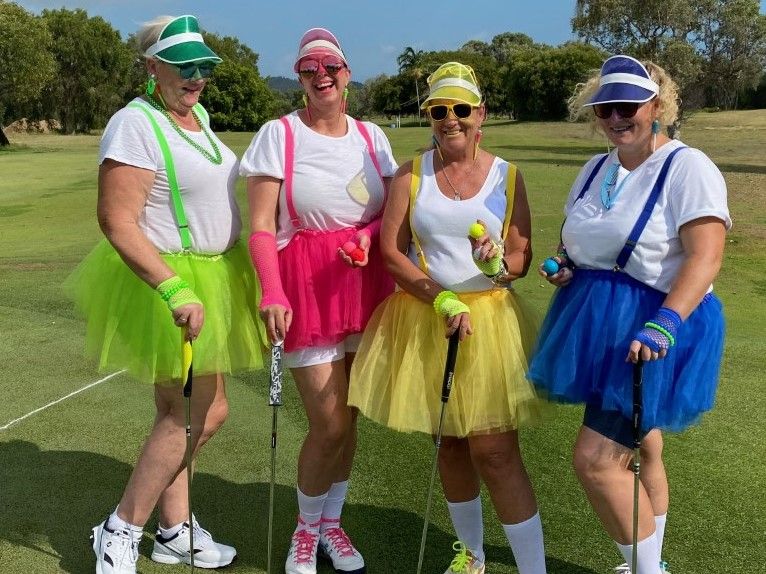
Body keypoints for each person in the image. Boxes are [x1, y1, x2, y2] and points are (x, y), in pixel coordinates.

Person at [65, 15, 265, 574]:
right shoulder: (134, 123)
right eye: (184, 66)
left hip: (213, 277)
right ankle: (121, 527)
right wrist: (172, 287)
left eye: (203, 66)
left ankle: (174, 531)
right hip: (172, 283)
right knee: (202, 412)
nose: (197, 77)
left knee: (180, 411)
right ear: (153, 67)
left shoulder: (195, 115)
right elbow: (116, 219)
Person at [528, 55, 730, 574]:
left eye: (626, 107)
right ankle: (650, 560)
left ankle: (647, 569)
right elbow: (582, 239)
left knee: (596, 462)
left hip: (655, 325)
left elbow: (706, 255)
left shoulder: (687, 166)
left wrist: (665, 323)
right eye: (605, 109)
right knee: (646, 448)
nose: (615, 118)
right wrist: (565, 264)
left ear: (655, 106)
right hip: (593, 323)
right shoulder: (598, 167)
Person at [349, 62, 547, 574]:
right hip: (428, 316)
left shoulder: (509, 175)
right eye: (439, 110)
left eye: (461, 109)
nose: (450, 119)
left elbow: (521, 260)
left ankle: (532, 568)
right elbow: (391, 254)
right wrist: (439, 298)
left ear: (480, 114)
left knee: (497, 451)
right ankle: (472, 556)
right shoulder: (409, 174)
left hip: (492, 323)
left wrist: (497, 264)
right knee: (450, 445)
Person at [241, 27, 397, 574]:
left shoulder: (373, 136)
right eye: (310, 69)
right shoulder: (278, 134)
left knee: (351, 416)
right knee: (329, 422)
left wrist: (367, 238)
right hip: (306, 286)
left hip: (366, 281)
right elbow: (261, 226)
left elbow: (389, 213)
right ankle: (305, 532)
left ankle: (332, 522)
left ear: (347, 73)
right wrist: (272, 288)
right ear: (301, 79)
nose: (322, 75)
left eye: (331, 65)